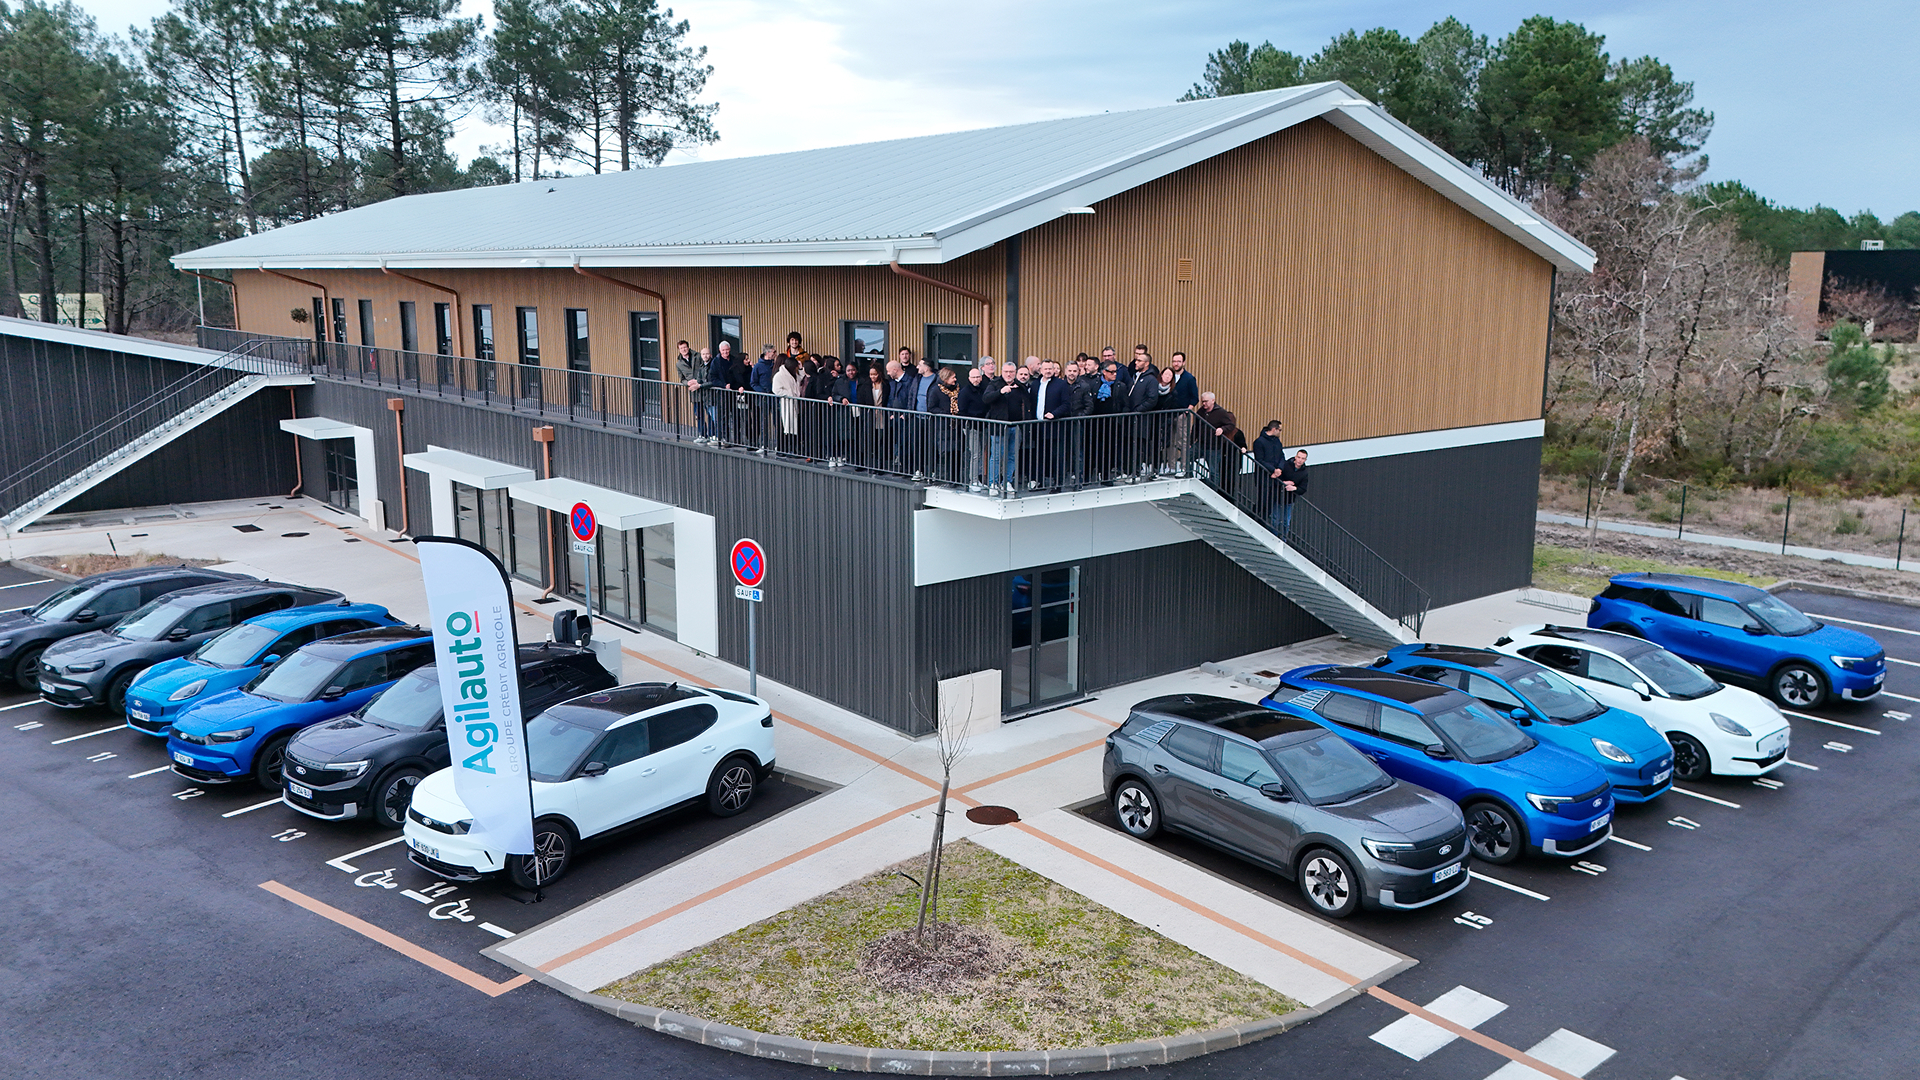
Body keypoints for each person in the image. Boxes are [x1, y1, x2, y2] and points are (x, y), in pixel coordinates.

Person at [983, 358, 1028, 496]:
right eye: (1006, 372)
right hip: (999, 427)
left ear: (1015, 373)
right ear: (1002, 372)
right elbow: (986, 398)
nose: (1009, 374)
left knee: (1012, 456)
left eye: (1011, 372)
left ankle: (1007, 481)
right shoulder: (995, 384)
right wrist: (1001, 392)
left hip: (1016, 426)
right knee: (996, 456)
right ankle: (993, 483)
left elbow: (1027, 404)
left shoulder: (1020, 387)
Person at [1031, 358, 1071, 491]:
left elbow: (1066, 404)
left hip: (1054, 426)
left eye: (1050, 369)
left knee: (1056, 456)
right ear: (1040, 370)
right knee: (1040, 455)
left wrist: (1054, 414)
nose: (1048, 371)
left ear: (1054, 370)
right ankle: (1040, 481)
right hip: (1038, 426)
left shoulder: (1061, 384)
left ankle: (1057, 483)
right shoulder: (1036, 384)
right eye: (1045, 369)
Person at [1192, 391, 1240, 482]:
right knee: (1188, 457)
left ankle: (1213, 491)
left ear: (1213, 400)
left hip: (1213, 446)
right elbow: (1196, 427)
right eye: (1202, 401)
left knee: (1213, 471)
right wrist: (1192, 441)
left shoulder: (1221, 412)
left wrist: (1222, 429)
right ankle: (1189, 475)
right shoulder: (1200, 411)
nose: (1204, 404)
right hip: (1200, 443)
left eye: (1206, 401)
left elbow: (1230, 425)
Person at [957, 362, 990, 492]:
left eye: (978, 377)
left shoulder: (984, 389)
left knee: (983, 454)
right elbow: (962, 410)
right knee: (975, 454)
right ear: (969, 379)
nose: (976, 379)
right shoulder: (965, 392)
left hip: (984, 426)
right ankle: (973, 480)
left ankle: (981, 479)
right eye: (973, 377)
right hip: (972, 427)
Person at [1250, 420, 1287, 524]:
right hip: (1264, 477)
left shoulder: (1277, 441)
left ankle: (1263, 521)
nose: (1280, 432)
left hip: (1276, 476)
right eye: (1280, 430)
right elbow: (1260, 460)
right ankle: (1255, 519)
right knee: (1264, 500)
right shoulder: (1259, 442)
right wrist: (1273, 470)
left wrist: (1279, 469)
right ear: (1274, 429)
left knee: (1272, 502)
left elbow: (1281, 456)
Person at [853, 361, 888, 469]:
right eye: (871, 374)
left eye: (875, 374)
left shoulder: (886, 385)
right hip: (869, 416)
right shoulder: (865, 385)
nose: (872, 376)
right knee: (868, 440)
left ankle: (880, 466)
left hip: (882, 416)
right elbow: (861, 401)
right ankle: (868, 464)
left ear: (880, 374)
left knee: (881, 441)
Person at [771, 353, 803, 454]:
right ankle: (786, 449)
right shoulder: (779, 376)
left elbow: (801, 379)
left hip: (794, 404)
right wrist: (789, 394)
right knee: (787, 427)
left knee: (793, 426)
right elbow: (776, 390)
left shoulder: (794, 375)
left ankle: (792, 449)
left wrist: (801, 368)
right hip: (786, 404)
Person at [1277, 449, 1310, 535]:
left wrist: (1294, 488)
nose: (1300, 460)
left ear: (1305, 460)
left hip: (1289, 500)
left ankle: (1283, 539)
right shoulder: (1286, 465)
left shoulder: (1304, 473)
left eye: (1303, 458)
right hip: (1277, 496)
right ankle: (1274, 536)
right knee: (1275, 519)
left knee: (1285, 522)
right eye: (1298, 457)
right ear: (1295, 457)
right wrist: (1284, 483)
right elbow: (1277, 476)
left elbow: (1303, 489)